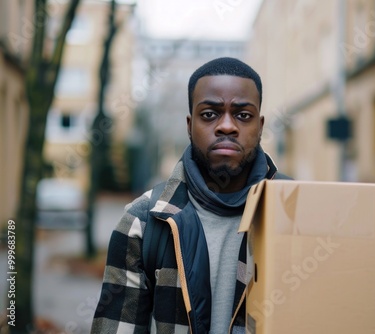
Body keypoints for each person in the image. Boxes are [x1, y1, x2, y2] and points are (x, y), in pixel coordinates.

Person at [91, 57, 291, 333]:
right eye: (210, 114)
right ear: (189, 125)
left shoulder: (295, 214)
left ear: (260, 126)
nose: (227, 126)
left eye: (243, 115)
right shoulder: (143, 223)